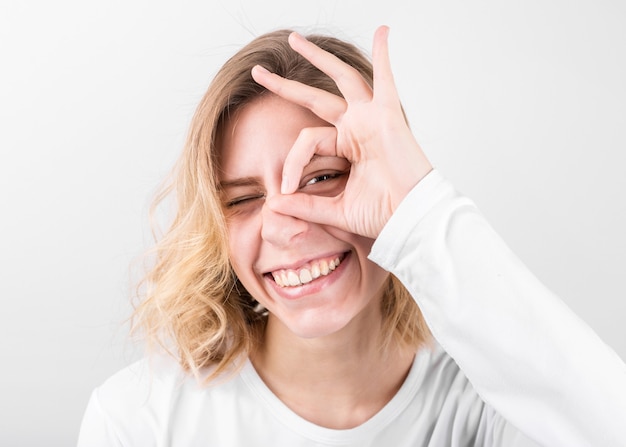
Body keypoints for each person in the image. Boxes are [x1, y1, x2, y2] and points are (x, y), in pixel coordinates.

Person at [77, 26, 626, 446]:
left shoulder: (489, 407)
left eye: (322, 177)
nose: (285, 224)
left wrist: (423, 209)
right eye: (243, 200)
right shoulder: (139, 421)